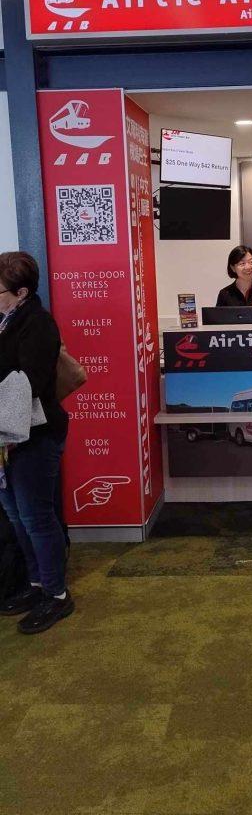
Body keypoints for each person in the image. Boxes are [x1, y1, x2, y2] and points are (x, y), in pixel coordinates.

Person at [0, 251, 74, 634]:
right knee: (16, 516)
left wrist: (9, 435)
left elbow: (27, 381)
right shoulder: (5, 320)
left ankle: (56, 595)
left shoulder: (39, 324)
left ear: (22, 291)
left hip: (33, 435)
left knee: (36, 517)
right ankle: (35, 584)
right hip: (5, 437)